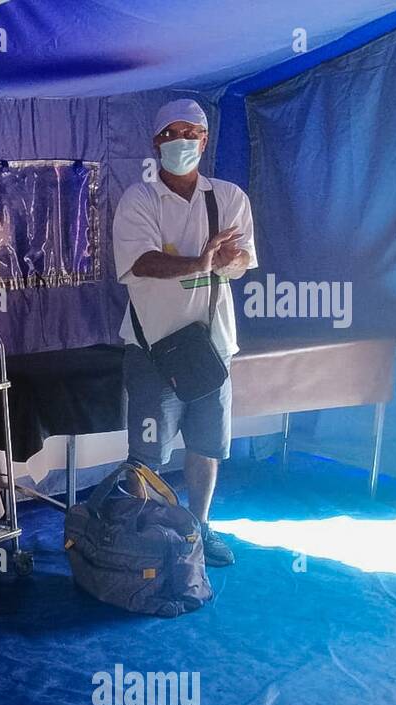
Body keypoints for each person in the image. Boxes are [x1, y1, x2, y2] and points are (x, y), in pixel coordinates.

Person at [112, 98, 257, 566]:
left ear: (205, 139)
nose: (182, 142)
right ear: (156, 143)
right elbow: (140, 262)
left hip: (211, 348)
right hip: (152, 350)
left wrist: (227, 260)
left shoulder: (229, 198)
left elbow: (241, 260)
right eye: (171, 134)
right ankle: (150, 536)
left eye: (190, 132)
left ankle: (198, 530)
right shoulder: (140, 199)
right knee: (147, 455)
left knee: (205, 446)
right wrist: (200, 262)